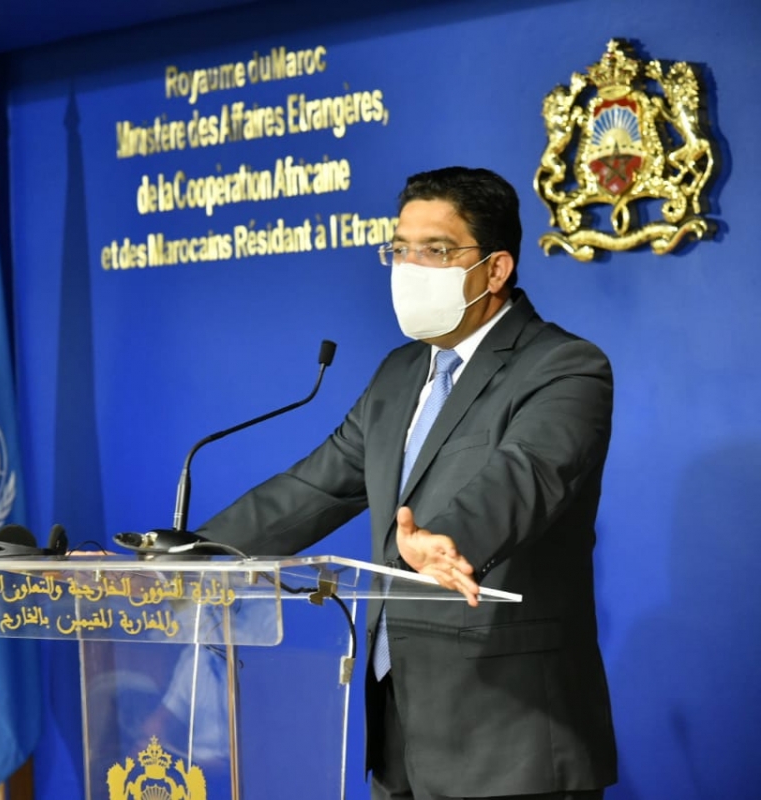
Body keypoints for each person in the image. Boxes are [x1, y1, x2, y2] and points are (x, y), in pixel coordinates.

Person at [198, 167, 616, 799]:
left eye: (436, 250)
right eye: (400, 249)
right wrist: (191, 555)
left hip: (511, 736)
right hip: (399, 729)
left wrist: (450, 538)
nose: (410, 266)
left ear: (496, 269)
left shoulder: (563, 366)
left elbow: (529, 474)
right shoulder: (399, 372)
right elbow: (315, 487)